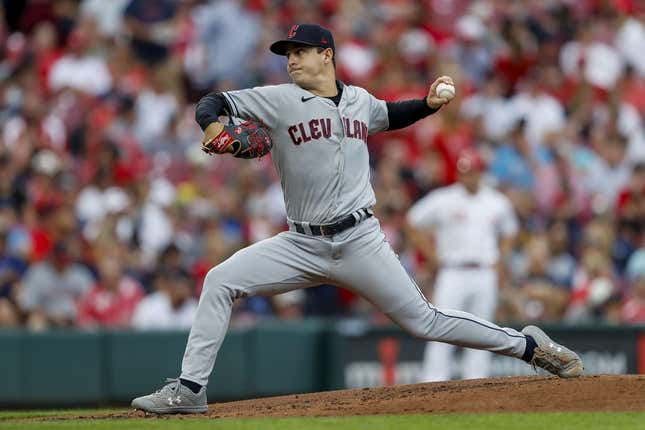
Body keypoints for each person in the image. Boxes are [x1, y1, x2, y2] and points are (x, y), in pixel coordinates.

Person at [131, 24, 583, 414]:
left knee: (424, 321)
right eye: (288, 54)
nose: (291, 61)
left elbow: (390, 114)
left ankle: (528, 346)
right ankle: (189, 390)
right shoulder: (278, 100)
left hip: (359, 239)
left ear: (326, 55)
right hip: (301, 243)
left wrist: (426, 104)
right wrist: (212, 127)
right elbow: (210, 102)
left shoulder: (360, 101)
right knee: (220, 280)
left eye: (300, 52)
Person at [406, 149, 518, 382]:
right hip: (452, 272)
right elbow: (412, 222)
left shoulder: (496, 201)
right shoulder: (444, 198)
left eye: (473, 172)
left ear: (481, 173)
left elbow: (510, 232)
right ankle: (433, 381)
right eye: (464, 173)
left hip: (484, 271)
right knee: (441, 327)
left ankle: (476, 382)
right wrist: (432, 255)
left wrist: (500, 259)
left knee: (484, 331)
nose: (468, 177)